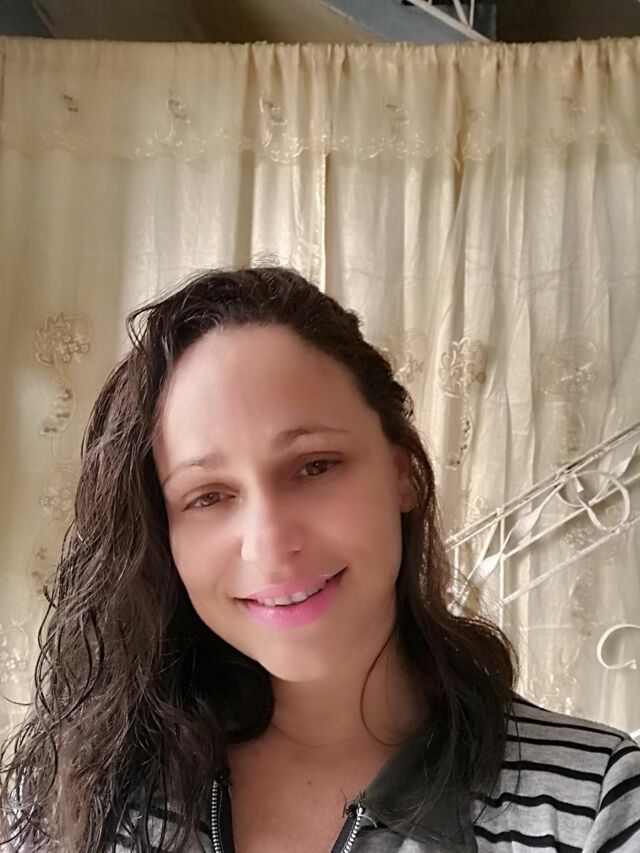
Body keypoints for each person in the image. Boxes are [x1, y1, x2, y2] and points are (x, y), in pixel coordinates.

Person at [1, 266, 638, 853]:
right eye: (208, 496)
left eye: (315, 466)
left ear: (402, 471)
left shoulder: (597, 803)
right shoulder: (80, 795)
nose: (270, 544)